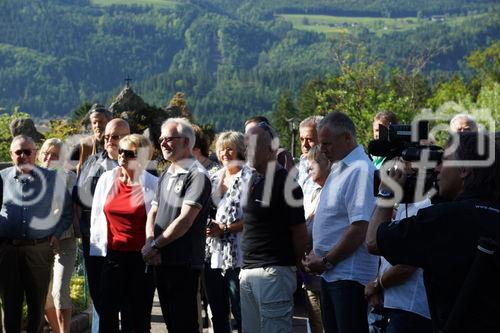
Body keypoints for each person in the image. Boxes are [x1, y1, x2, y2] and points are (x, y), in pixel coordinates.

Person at [366, 131, 500, 332]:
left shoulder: (443, 219)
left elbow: (373, 241)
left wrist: (387, 192)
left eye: (444, 160)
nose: (437, 169)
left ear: (463, 169)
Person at [303, 111, 378, 333]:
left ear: (347, 138)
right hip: (333, 274)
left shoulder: (360, 170)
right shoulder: (340, 166)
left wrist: (326, 261)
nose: (322, 148)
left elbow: (359, 228)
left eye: (327, 143)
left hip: (348, 276)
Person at [142, 118, 211, 333]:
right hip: (161, 261)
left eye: (169, 139)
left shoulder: (197, 175)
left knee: (184, 324)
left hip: (184, 263)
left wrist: (155, 246)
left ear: (187, 142)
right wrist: (150, 242)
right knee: (172, 324)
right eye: (161, 139)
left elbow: (185, 220)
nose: (163, 143)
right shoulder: (167, 173)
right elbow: (153, 211)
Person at [0, 135, 73, 333]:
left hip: (39, 250)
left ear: (35, 153)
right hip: (7, 251)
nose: (23, 156)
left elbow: (67, 212)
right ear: (11, 154)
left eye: (27, 152)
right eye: (18, 152)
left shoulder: (52, 179)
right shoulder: (1, 177)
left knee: (37, 305)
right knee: (10, 304)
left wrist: (56, 234)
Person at [240, 122, 308, 333]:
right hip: (249, 271)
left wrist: (296, 264)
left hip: (273, 273)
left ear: (272, 148)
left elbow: (299, 231)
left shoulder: (287, 184)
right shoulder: (255, 180)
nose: (247, 149)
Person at [89, 134, 157, 332]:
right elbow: (96, 218)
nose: (123, 156)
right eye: (121, 151)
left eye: (130, 153)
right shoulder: (107, 179)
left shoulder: (153, 184)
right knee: (107, 314)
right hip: (112, 256)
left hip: (141, 259)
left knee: (136, 316)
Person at [73, 118, 130, 333]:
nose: (109, 141)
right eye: (107, 137)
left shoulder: (137, 164)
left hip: (124, 240)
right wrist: (80, 226)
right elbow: (77, 195)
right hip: (94, 238)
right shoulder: (91, 162)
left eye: (115, 137)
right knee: (98, 296)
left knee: (125, 298)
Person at [205, 131, 250, 333]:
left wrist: (223, 228)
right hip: (212, 255)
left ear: (241, 150)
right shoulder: (213, 177)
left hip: (238, 255)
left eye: (230, 148)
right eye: (221, 149)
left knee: (241, 312)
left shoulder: (251, 177)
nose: (225, 153)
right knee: (218, 311)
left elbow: (254, 218)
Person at [38, 139, 78, 333]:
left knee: (60, 291)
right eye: (46, 153)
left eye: (54, 155)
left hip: (65, 240)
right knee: (44, 295)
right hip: (40, 244)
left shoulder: (69, 178)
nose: (48, 158)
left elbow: (64, 209)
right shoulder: (32, 177)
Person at [302, 145, 330, 333]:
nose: (308, 167)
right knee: (315, 323)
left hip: (328, 269)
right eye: (308, 163)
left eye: (315, 162)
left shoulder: (334, 192)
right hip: (310, 272)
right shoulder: (313, 192)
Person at [74, 104, 112, 174]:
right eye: (94, 123)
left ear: (109, 122)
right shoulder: (84, 144)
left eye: (101, 122)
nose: (97, 125)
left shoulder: (117, 143)